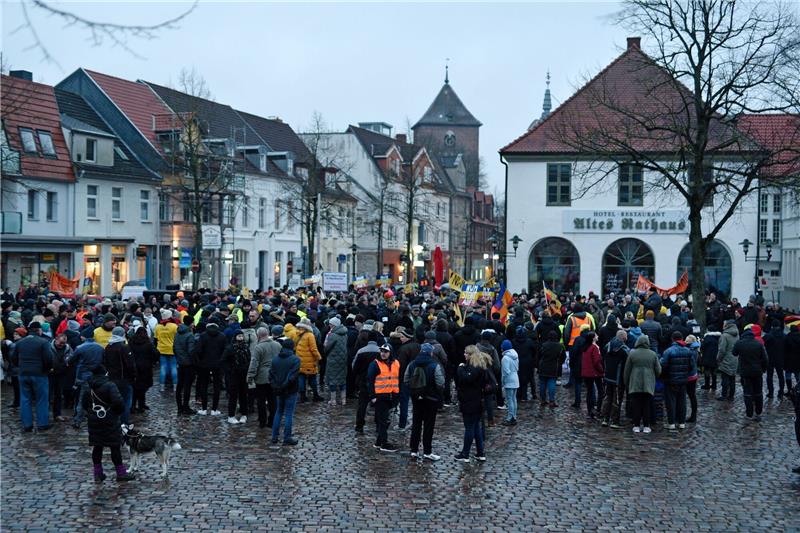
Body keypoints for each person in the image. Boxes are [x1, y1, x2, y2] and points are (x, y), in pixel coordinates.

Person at [83, 365, 135, 482]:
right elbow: (119, 402)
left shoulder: (89, 386)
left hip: (94, 421)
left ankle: (98, 474)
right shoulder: (110, 385)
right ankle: (120, 473)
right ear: (104, 373)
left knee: (97, 447)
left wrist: (93, 413)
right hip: (110, 420)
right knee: (114, 447)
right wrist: (114, 413)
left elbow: (84, 404)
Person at [404, 343, 444, 460]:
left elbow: (406, 379)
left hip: (416, 398)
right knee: (428, 425)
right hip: (431, 399)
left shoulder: (412, 364)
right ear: (431, 353)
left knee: (416, 424)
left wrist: (414, 391)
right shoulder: (434, 365)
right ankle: (427, 451)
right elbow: (440, 383)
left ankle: (414, 450)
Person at [11, 321, 53, 432]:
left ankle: (27, 425)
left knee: (25, 399)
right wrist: (46, 370)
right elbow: (48, 359)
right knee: (41, 399)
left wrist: (21, 367)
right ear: (39, 330)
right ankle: (42, 424)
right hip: (39, 374)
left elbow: (13, 358)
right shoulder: (43, 342)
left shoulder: (20, 342)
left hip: (23, 373)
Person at [454, 347, 489, 462]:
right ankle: (480, 453)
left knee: (469, 427)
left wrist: (460, 368)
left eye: (466, 353)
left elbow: (467, 378)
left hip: (470, 401)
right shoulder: (480, 366)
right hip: (476, 400)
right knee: (476, 427)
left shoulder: (474, 368)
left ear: (471, 355)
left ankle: (465, 454)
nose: (464, 354)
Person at [367, 343, 400, 452]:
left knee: (386, 420)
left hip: (392, 396)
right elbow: (370, 381)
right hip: (380, 397)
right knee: (383, 421)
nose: (383, 353)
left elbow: (397, 379)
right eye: (381, 351)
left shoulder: (396, 363)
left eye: (385, 352)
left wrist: (397, 395)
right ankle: (384, 444)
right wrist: (373, 396)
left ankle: (378, 442)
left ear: (390, 353)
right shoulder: (375, 364)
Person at [624, 335, 661, 433]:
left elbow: (627, 370)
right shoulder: (653, 354)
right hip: (648, 383)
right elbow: (658, 370)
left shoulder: (632, 354)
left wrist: (626, 382)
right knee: (646, 405)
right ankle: (646, 426)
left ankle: (636, 425)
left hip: (635, 382)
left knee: (636, 405)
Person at [69, 328, 104, 428]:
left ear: (84, 336)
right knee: (97, 399)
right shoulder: (100, 347)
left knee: (81, 399)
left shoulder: (80, 347)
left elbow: (71, 360)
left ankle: (77, 421)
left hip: (83, 376)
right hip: (97, 376)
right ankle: (99, 419)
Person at [103, 326, 136, 426]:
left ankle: (114, 421)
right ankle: (124, 422)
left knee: (114, 401)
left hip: (112, 378)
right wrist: (133, 376)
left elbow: (105, 362)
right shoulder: (124, 347)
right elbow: (130, 364)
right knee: (126, 401)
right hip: (123, 379)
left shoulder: (108, 347)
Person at [248, 326, 281, 428]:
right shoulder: (277, 345)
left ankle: (262, 421)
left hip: (262, 377)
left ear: (258, 336)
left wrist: (250, 376)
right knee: (272, 400)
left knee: (261, 400)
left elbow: (254, 363)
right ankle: (272, 421)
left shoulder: (258, 347)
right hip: (275, 376)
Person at [270, 339, 301, 445]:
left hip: (279, 390)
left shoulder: (275, 359)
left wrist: (276, 386)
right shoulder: (295, 359)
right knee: (288, 414)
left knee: (278, 412)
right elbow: (292, 376)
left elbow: (271, 375)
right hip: (290, 390)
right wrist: (284, 386)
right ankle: (287, 437)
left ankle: (274, 436)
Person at [734, 328, 769, 421]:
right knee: (758, 392)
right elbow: (765, 359)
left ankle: (749, 414)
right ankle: (758, 412)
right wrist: (763, 369)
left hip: (745, 372)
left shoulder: (740, 343)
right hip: (757, 372)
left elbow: (734, 353)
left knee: (747, 393)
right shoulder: (758, 344)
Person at [660, 331, 692, 430]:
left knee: (671, 402)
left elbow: (663, 365)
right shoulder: (688, 351)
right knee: (682, 402)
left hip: (671, 380)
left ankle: (671, 423)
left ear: (672, 339)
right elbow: (691, 366)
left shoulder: (668, 351)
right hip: (683, 380)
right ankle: (682, 422)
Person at [193, 322, 226, 416]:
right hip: (217, 365)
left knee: (204, 385)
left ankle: (204, 409)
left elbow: (198, 350)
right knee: (217, 387)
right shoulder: (222, 336)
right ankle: (214, 409)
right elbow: (225, 350)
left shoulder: (203, 335)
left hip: (204, 365)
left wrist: (200, 361)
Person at [600, 330, 629, 428]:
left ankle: (605, 419)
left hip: (607, 376)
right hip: (618, 378)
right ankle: (614, 421)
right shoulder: (624, 350)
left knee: (607, 398)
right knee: (616, 400)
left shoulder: (607, 346)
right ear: (624, 338)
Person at [352, 339, 380, 434]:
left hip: (364, 380)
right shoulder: (380, 351)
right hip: (377, 382)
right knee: (378, 405)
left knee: (362, 405)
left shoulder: (361, 351)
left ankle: (359, 425)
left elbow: (354, 367)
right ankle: (378, 425)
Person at [128, 325, 158, 414]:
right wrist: (153, 361)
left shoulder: (131, 342)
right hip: (146, 367)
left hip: (133, 367)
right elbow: (156, 353)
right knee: (143, 387)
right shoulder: (148, 343)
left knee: (135, 387)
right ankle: (141, 404)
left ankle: (133, 405)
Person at [224, 331, 251, 424]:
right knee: (233, 396)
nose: (241, 338)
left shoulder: (246, 347)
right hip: (233, 375)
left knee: (244, 395)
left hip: (244, 374)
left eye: (242, 336)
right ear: (235, 337)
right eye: (239, 336)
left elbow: (249, 359)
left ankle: (244, 414)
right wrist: (230, 370)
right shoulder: (230, 348)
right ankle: (231, 416)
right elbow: (224, 360)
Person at [294, 318, 322, 402]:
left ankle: (302, 396)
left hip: (299, 359)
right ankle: (315, 395)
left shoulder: (297, 333)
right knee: (312, 377)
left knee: (301, 377)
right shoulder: (310, 335)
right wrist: (319, 357)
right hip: (309, 360)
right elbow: (313, 349)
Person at [173, 319, 197, 415]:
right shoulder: (190, 335)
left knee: (180, 385)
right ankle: (186, 407)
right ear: (190, 324)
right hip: (188, 364)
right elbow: (191, 351)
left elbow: (174, 348)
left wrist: (178, 358)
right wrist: (194, 362)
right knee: (187, 386)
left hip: (180, 362)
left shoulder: (177, 333)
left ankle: (180, 407)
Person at [323, 317, 349, 406]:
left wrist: (325, 351)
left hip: (333, 360)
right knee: (342, 379)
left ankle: (333, 400)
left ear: (334, 325)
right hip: (343, 359)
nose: (329, 326)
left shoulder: (332, 335)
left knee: (332, 380)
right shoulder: (345, 334)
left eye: (330, 324)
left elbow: (327, 347)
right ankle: (343, 400)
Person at [49, 333, 74, 422]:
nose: (62, 345)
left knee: (58, 395)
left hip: (61, 374)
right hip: (50, 374)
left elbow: (72, 358)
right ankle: (45, 415)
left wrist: (67, 363)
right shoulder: (48, 347)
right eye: (60, 342)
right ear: (56, 339)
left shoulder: (68, 348)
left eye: (64, 343)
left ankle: (57, 414)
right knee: (48, 395)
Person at [580, 331, 604, 419]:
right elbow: (596, 361)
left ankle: (590, 410)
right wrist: (602, 370)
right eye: (596, 335)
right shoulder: (594, 347)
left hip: (586, 372)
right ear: (593, 338)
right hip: (595, 372)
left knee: (589, 392)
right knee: (601, 391)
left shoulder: (585, 347)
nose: (598, 336)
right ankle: (598, 409)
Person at [538, 330, 565, 407]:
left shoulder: (544, 345)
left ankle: (543, 400)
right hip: (554, 367)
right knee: (552, 384)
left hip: (543, 366)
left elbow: (539, 355)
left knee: (542, 384)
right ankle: (551, 401)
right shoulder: (560, 346)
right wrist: (559, 363)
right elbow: (563, 357)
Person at [154, 309, 178, 391]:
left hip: (161, 349)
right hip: (172, 349)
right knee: (173, 367)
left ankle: (162, 387)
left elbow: (155, 339)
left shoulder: (158, 326)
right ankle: (175, 386)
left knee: (163, 367)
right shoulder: (174, 326)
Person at [717, 320, 740, 402]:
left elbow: (722, 350)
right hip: (735, 358)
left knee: (725, 378)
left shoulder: (724, 336)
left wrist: (718, 359)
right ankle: (731, 395)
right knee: (732, 378)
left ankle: (724, 395)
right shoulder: (737, 334)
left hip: (726, 358)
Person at [763, 320, 786, 399]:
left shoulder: (768, 335)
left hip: (770, 358)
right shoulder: (784, 335)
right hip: (780, 358)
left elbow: (763, 343)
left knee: (769, 376)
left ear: (772, 326)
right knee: (781, 376)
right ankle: (781, 392)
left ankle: (771, 392)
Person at [500, 339, 519, 426]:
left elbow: (505, 372)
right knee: (514, 399)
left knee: (510, 400)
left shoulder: (505, 358)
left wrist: (503, 382)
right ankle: (514, 417)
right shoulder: (515, 355)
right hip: (515, 378)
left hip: (509, 380)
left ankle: (510, 418)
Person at [701, 325, 721, 391]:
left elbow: (703, 347)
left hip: (707, 356)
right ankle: (714, 385)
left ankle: (707, 385)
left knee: (707, 370)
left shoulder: (707, 337)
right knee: (714, 371)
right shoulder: (718, 337)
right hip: (716, 356)